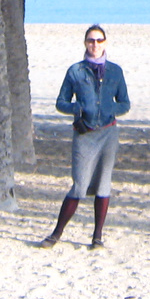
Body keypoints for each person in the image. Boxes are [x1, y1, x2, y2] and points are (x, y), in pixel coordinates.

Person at [37, 24, 130, 248]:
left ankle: (97, 237)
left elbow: (125, 103)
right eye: (91, 40)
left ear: (105, 43)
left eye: (99, 40)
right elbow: (61, 102)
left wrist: (110, 111)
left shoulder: (115, 71)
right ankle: (56, 234)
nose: (95, 44)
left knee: (103, 185)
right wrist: (77, 109)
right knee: (79, 185)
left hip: (108, 134)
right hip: (84, 135)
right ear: (85, 43)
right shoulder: (75, 71)